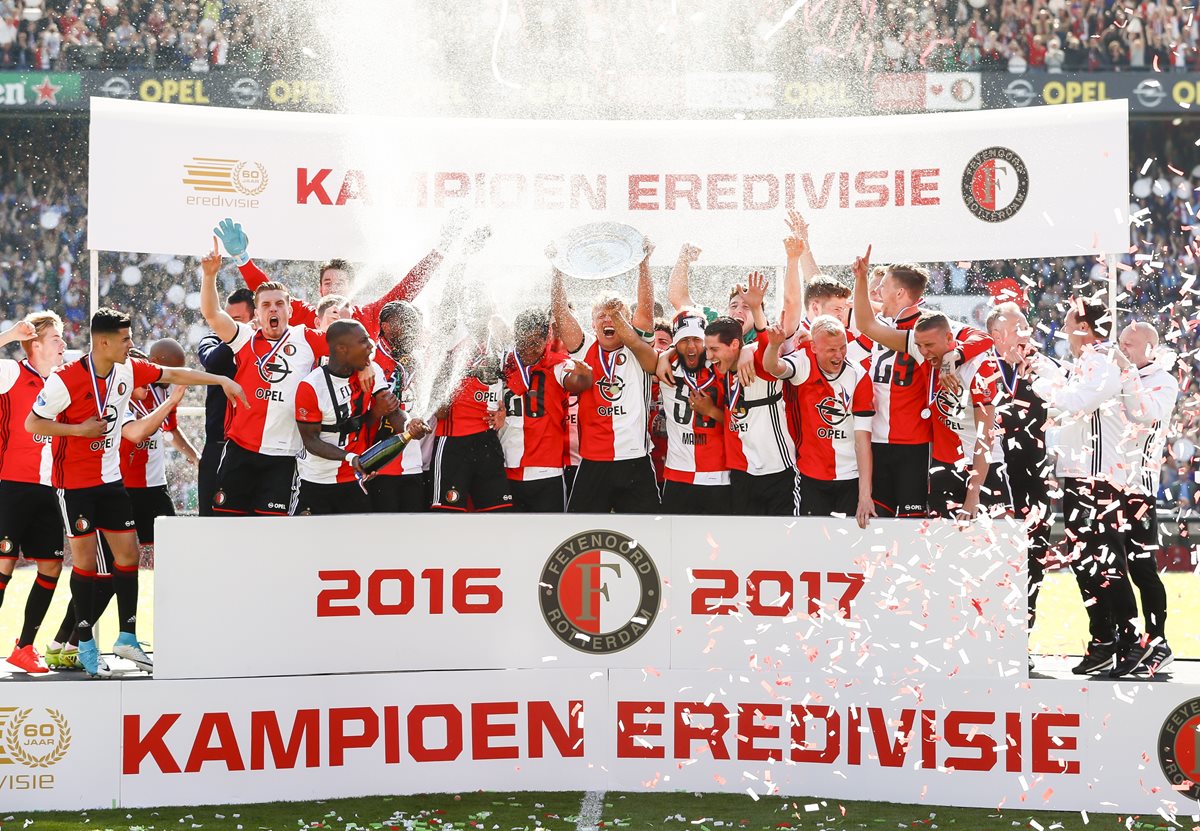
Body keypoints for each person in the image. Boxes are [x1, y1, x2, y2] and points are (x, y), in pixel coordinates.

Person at [26, 307, 246, 678]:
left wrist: (221, 380)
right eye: (126, 339)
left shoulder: (128, 369)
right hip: (73, 483)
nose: (132, 344)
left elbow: (174, 373)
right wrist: (80, 430)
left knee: (128, 556)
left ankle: (127, 636)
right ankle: (83, 640)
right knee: (84, 563)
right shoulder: (64, 380)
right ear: (104, 341)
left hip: (111, 480)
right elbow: (34, 423)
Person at [1027, 299, 1137, 676]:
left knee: (1105, 560)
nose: (1063, 327)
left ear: (1085, 328)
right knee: (1085, 561)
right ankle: (1104, 639)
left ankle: (1130, 639)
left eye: (1068, 320)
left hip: (1099, 477)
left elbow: (1073, 405)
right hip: (1078, 476)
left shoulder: (1104, 363)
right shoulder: (1087, 364)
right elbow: (1065, 406)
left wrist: (1039, 383)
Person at [851, 246, 993, 517]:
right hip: (877, 439)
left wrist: (953, 356)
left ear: (899, 292)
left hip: (916, 443)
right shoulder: (884, 324)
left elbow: (983, 338)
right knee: (877, 523)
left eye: (883, 286)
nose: (878, 292)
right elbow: (863, 328)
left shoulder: (928, 327)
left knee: (912, 526)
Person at [199, 240, 331, 516]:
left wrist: (366, 365)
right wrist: (209, 275)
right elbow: (212, 314)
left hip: (284, 456)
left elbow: (346, 347)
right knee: (228, 528)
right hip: (240, 451)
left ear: (290, 311)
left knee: (273, 534)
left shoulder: (305, 337)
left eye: (280, 304)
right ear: (256, 313)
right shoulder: (244, 337)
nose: (273, 310)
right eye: (267, 305)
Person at [550, 239, 662, 514]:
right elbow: (560, 311)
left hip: (635, 460)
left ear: (627, 320)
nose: (608, 321)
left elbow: (646, 308)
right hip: (593, 462)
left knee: (648, 536)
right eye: (602, 316)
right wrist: (556, 269)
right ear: (592, 322)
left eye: (616, 315)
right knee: (580, 533)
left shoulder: (638, 348)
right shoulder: (585, 347)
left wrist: (644, 264)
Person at [213, 215, 460, 338]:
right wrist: (242, 258)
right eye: (327, 282)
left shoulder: (370, 315)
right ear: (320, 289)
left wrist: (441, 251)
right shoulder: (304, 315)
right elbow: (265, 290)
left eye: (340, 283)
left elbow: (407, 289)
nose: (333, 287)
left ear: (352, 288)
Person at [1110, 321, 1180, 677]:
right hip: (1108, 484)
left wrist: (1124, 373)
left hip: (1139, 487)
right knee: (1109, 566)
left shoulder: (1164, 381)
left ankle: (1158, 641)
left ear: (1152, 348)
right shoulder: (1117, 374)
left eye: (1131, 344)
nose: (1124, 349)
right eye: (1121, 342)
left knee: (1141, 569)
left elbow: (1144, 414)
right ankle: (1120, 640)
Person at [0, 315, 67, 673]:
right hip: (11, 484)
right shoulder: (12, 372)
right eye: (55, 338)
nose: (62, 344)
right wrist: (11, 335)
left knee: (52, 565)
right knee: (3, 566)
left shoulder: (63, 379)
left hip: (50, 488)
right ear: (35, 345)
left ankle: (24, 646)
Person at [762, 314, 875, 527]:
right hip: (810, 475)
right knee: (811, 547)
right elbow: (773, 367)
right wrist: (774, 345)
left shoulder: (858, 376)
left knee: (848, 549)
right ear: (814, 347)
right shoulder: (803, 362)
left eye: (842, 347)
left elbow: (862, 441)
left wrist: (864, 496)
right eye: (831, 350)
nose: (839, 355)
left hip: (849, 476)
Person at [987, 303, 1053, 639]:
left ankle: (1021, 638)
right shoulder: (981, 368)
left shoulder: (1044, 368)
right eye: (1018, 328)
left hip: (1036, 479)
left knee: (1034, 559)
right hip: (995, 480)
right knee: (995, 561)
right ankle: (994, 635)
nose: (1026, 334)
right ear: (997, 336)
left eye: (1027, 325)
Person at [295, 320, 401, 515]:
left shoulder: (370, 371)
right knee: (307, 542)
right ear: (342, 349)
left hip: (353, 479)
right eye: (363, 341)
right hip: (316, 479)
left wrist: (411, 423)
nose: (371, 346)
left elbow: (391, 411)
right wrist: (350, 457)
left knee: (359, 542)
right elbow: (311, 441)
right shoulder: (311, 386)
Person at [910, 313, 1009, 518]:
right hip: (944, 465)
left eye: (928, 345)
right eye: (919, 346)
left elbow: (986, 436)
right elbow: (872, 327)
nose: (923, 352)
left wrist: (973, 494)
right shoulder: (928, 356)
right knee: (941, 544)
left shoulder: (978, 366)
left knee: (1001, 541)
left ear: (949, 338)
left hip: (984, 466)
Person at [705, 304, 798, 517]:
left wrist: (756, 308)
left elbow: (767, 347)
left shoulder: (758, 363)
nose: (709, 356)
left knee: (782, 539)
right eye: (708, 349)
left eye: (714, 349)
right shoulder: (722, 369)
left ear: (734, 344)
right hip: (742, 472)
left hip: (777, 469)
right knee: (746, 541)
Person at [499, 309, 593, 512]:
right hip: (507, 465)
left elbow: (576, 382)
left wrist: (584, 375)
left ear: (547, 339)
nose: (529, 350)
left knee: (550, 537)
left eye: (535, 343)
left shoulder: (557, 364)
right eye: (523, 342)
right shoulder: (504, 365)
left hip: (546, 469)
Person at [119, 339, 199, 547]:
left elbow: (170, 429)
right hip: (124, 485)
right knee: (124, 551)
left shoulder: (164, 391)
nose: (174, 376)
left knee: (169, 546)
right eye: (173, 369)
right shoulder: (120, 395)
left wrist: (195, 457)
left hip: (155, 484)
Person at [656, 311, 731, 514]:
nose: (691, 347)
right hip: (677, 474)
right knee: (676, 542)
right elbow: (640, 349)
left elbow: (739, 424)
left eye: (697, 340)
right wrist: (665, 355)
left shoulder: (723, 367)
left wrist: (711, 411)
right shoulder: (666, 367)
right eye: (684, 340)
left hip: (718, 475)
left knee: (718, 542)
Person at [367, 300, 433, 513]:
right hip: (379, 464)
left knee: (412, 531)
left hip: (412, 463)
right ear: (385, 327)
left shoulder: (414, 361)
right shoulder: (371, 359)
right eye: (406, 324)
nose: (412, 330)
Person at [197, 288, 253, 517]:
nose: (227, 326)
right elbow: (212, 361)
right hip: (218, 446)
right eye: (225, 319)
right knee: (210, 523)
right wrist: (240, 335)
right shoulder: (212, 340)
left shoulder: (270, 347)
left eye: (236, 321)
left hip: (256, 450)